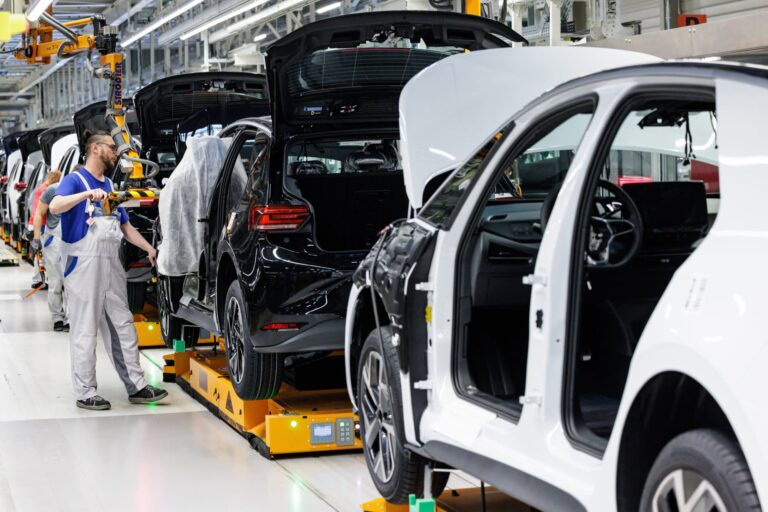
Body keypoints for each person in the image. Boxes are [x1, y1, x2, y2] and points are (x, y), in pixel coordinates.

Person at [49, 132, 168, 411]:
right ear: (95, 149)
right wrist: (86, 195)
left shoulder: (112, 184)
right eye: (112, 147)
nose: (116, 152)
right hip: (83, 265)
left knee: (123, 325)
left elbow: (124, 225)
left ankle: (137, 386)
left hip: (110, 265)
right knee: (85, 330)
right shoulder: (74, 180)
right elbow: (55, 206)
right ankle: (86, 391)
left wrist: (148, 248)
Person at [31, 170, 68, 331]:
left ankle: (73, 318)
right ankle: (58, 318)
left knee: (73, 283)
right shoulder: (53, 190)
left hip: (74, 240)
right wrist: (37, 238)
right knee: (56, 281)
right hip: (54, 239)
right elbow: (39, 213)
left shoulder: (85, 191)